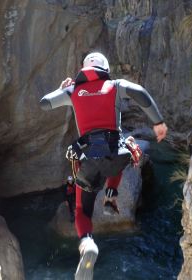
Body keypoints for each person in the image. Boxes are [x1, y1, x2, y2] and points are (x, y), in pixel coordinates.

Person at [40, 52, 167, 279]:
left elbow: (45, 103)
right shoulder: (115, 85)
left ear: (84, 70)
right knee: (121, 154)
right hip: (117, 155)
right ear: (105, 68)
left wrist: (62, 88)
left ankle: (87, 244)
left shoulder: (73, 91)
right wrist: (158, 123)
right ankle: (110, 195)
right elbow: (140, 92)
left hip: (90, 159)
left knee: (81, 210)